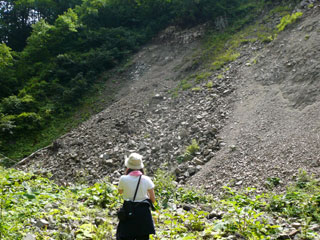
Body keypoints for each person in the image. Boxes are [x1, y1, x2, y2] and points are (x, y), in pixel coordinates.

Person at [116, 153, 156, 240]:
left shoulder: (123, 178)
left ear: (128, 166)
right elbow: (153, 199)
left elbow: (120, 192)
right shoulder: (146, 179)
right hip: (143, 214)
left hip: (128, 211)